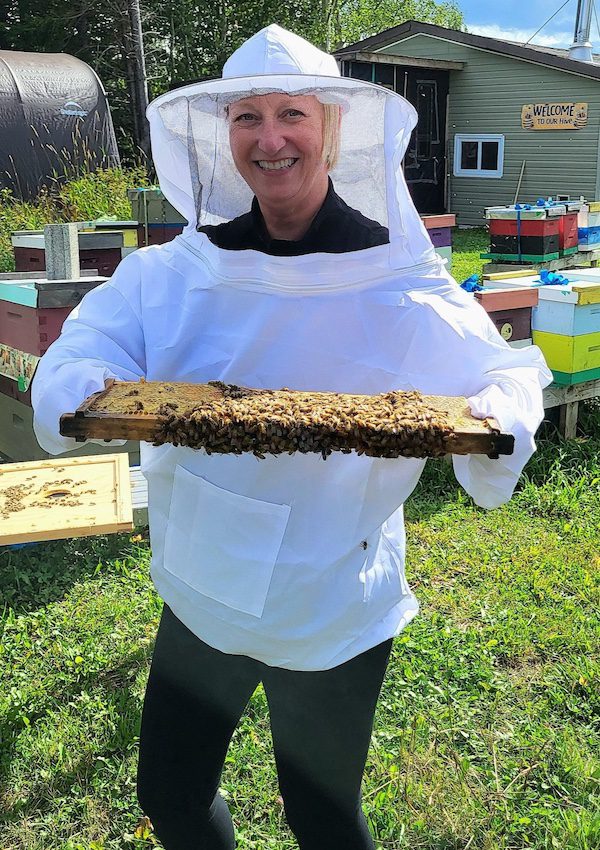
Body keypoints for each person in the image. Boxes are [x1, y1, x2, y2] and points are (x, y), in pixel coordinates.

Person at [32, 24, 552, 850]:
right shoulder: (177, 270)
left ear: (332, 129)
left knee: (323, 817)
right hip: (201, 589)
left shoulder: (396, 282)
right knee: (169, 796)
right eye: (247, 117)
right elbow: (88, 347)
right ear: (222, 134)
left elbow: (508, 374)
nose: (269, 138)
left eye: (291, 114)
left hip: (330, 598)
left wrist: (499, 417)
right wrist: (79, 383)